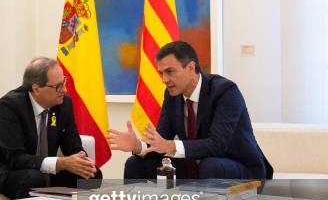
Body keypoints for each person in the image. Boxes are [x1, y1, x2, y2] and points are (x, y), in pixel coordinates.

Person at [108, 41, 273, 181]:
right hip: (194, 164)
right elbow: (162, 140)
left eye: (170, 72)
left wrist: (171, 146)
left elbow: (218, 145)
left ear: (191, 67)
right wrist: (137, 146)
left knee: (210, 165)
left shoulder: (225, 91)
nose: (165, 80)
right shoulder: (172, 95)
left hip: (240, 166)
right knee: (135, 164)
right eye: (161, 73)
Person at [0, 57, 101, 199]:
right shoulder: (9, 106)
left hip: (42, 170)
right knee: (33, 179)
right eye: (58, 86)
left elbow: (73, 146)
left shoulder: (64, 104)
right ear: (36, 89)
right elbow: (15, 158)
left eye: (64, 82)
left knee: (92, 175)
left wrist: (82, 162)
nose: (65, 89)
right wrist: (60, 163)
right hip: (7, 170)